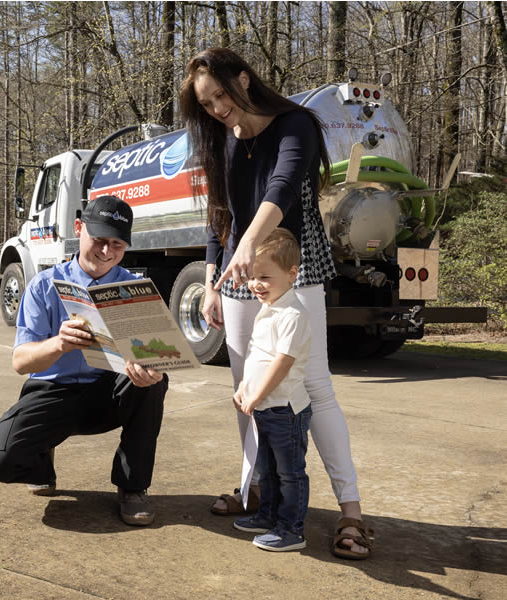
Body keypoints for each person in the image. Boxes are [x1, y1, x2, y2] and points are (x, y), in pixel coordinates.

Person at [179, 47, 373, 559]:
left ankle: (351, 511)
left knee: (315, 386)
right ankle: (257, 491)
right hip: (237, 274)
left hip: (293, 267)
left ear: (244, 79)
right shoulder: (222, 140)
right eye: (206, 103)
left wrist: (248, 244)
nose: (217, 108)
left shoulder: (295, 124)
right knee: (247, 387)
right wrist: (212, 279)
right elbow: (219, 215)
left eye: (220, 95)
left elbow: (282, 187)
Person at [0, 195, 169, 526]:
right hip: (55, 392)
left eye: (117, 244)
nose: (107, 251)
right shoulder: (43, 286)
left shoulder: (136, 289)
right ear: (79, 228)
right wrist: (58, 344)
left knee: (153, 384)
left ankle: (133, 486)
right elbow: (21, 362)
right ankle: (41, 461)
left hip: (110, 393)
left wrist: (153, 371)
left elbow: (157, 355)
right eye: (99, 240)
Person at [231, 228, 312, 552]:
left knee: (289, 473)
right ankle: (268, 515)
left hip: (285, 410)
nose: (255, 284)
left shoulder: (293, 314)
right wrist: (244, 388)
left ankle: (291, 530)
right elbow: (257, 356)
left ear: (292, 274)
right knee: (266, 469)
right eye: (252, 277)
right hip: (264, 407)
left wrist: (257, 395)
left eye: (264, 277)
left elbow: (282, 362)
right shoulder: (269, 309)